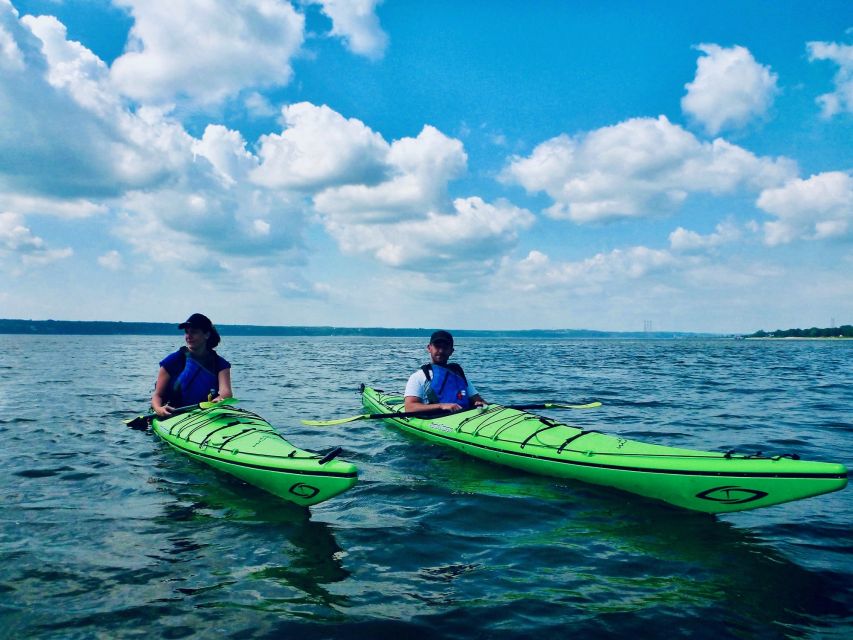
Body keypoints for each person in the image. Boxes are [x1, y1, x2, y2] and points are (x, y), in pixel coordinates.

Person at [151, 313, 232, 418]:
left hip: (207, 412)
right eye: (186, 332)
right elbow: (158, 395)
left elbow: (226, 392)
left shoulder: (221, 364)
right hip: (173, 412)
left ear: (207, 335)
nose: (188, 336)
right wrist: (159, 409)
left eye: (194, 332)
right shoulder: (172, 361)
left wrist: (220, 399)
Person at [404, 330, 486, 413]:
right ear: (429, 348)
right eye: (437, 346)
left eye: (445, 347)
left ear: (451, 351)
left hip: (463, 418)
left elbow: (480, 401)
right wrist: (441, 405)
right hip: (435, 420)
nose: (441, 351)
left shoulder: (459, 375)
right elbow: (409, 407)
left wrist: (479, 403)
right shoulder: (419, 377)